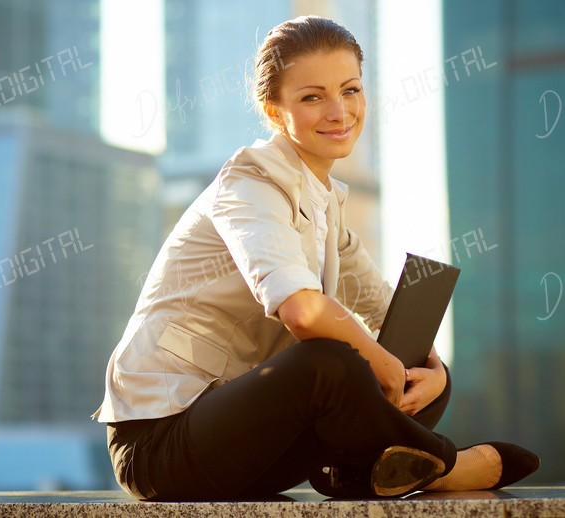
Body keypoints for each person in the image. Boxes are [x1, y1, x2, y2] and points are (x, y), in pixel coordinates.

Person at [93, 15, 539, 501]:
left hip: (244, 446)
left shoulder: (324, 203)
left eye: (350, 90)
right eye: (312, 97)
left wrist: (428, 366)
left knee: (418, 373)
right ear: (273, 110)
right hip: (160, 444)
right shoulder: (248, 187)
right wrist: (376, 361)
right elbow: (303, 312)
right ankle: (443, 463)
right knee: (328, 361)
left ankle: (356, 473)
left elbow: (384, 308)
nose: (339, 111)